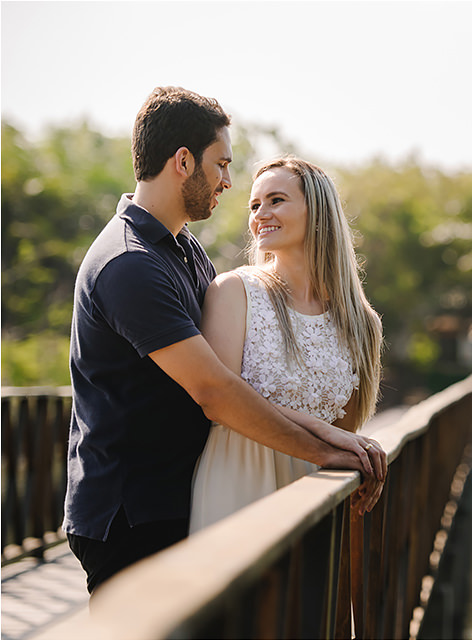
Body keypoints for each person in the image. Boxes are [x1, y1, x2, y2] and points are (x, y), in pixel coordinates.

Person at [64, 87, 385, 598]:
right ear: (184, 161)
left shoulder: (185, 251)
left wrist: (334, 441)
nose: (229, 182)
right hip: (131, 510)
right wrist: (327, 451)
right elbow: (216, 391)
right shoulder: (130, 264)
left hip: (177, 496)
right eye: (222, 164)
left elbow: (236, 379)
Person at [190, 156, 384, 533]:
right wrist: (321, 432)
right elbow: (217, 404)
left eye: (276, 200)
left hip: (318, 492)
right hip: (237, 485)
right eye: (255, 205)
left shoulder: (361, 323)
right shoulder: (234, 292)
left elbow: (346, 430)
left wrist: (355, 457)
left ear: (319, 211)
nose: (261, 213)